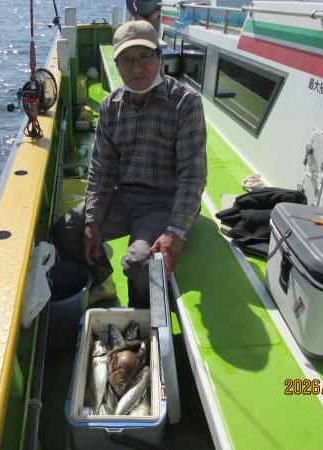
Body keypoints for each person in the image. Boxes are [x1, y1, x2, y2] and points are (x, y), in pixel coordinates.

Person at [54, 20, 207, 307]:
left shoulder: (186, 103)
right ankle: (102, 284)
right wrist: (92, 219)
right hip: (124, 196)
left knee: (140, 261)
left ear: (160, 58)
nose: (136, 68)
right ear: (117, 65)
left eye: (144, 57)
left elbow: (193, 175)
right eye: (127, 60)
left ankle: (142, 315)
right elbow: (101, 169)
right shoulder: (110, 106)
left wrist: (176, 230)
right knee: (68, 228)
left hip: (166, 201)